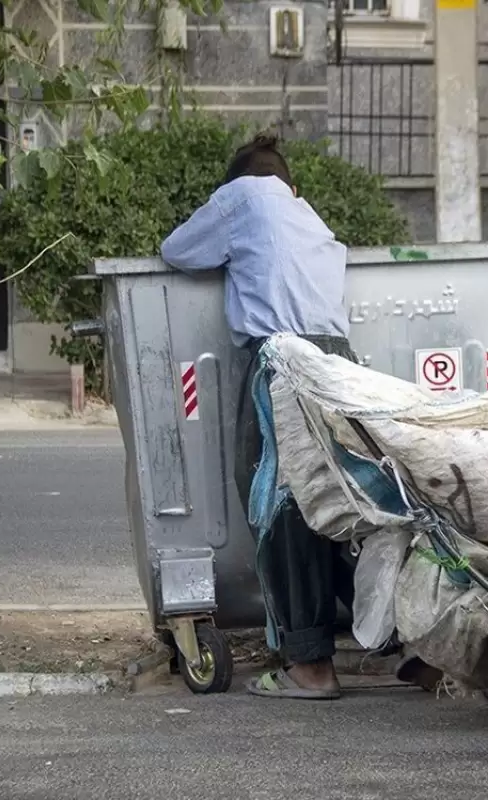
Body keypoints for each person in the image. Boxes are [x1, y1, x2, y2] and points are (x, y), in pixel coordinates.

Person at [160, 133, 357, 699]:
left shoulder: (244, 195)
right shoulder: (307, 213)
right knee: (345, 507)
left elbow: (179, 249)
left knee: (282, 508)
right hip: (339, 363)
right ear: (293, 183)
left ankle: (310, 666)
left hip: (284, 364)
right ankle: (412, 647)